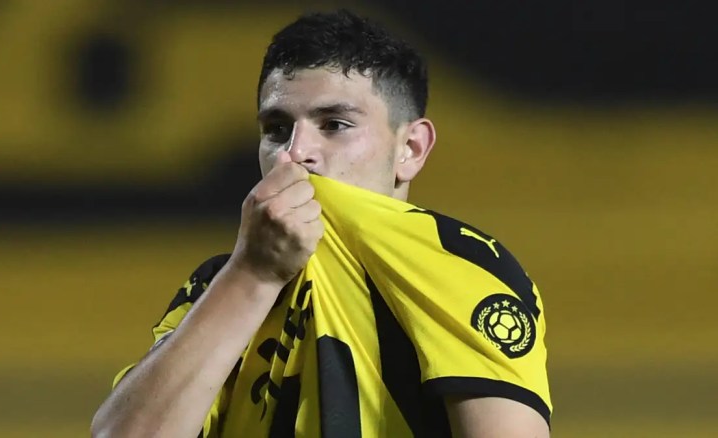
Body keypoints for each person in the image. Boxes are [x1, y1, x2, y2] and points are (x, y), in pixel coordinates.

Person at [92, 9, 551, 438]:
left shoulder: (459, 264)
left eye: (334, 124)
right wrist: (252, 276)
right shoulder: (218, 284)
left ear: (410, 148)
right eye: (276, 129)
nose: (294, 153)